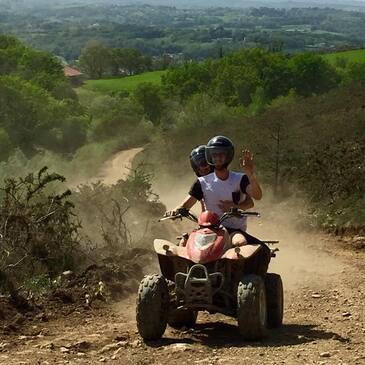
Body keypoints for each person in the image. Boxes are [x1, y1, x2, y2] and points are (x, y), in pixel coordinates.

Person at [168, 136, 263, 247]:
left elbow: (256, 197)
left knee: (240, 242)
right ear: (210, 157)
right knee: (183, 244)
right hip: (207, 230)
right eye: (214, 155)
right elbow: (185, 205)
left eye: (221, 154)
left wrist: (250, 174)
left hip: (233, 230)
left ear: (228, 156)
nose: (217, 158)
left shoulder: (240, 179)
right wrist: (174, 212)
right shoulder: (201, 182)